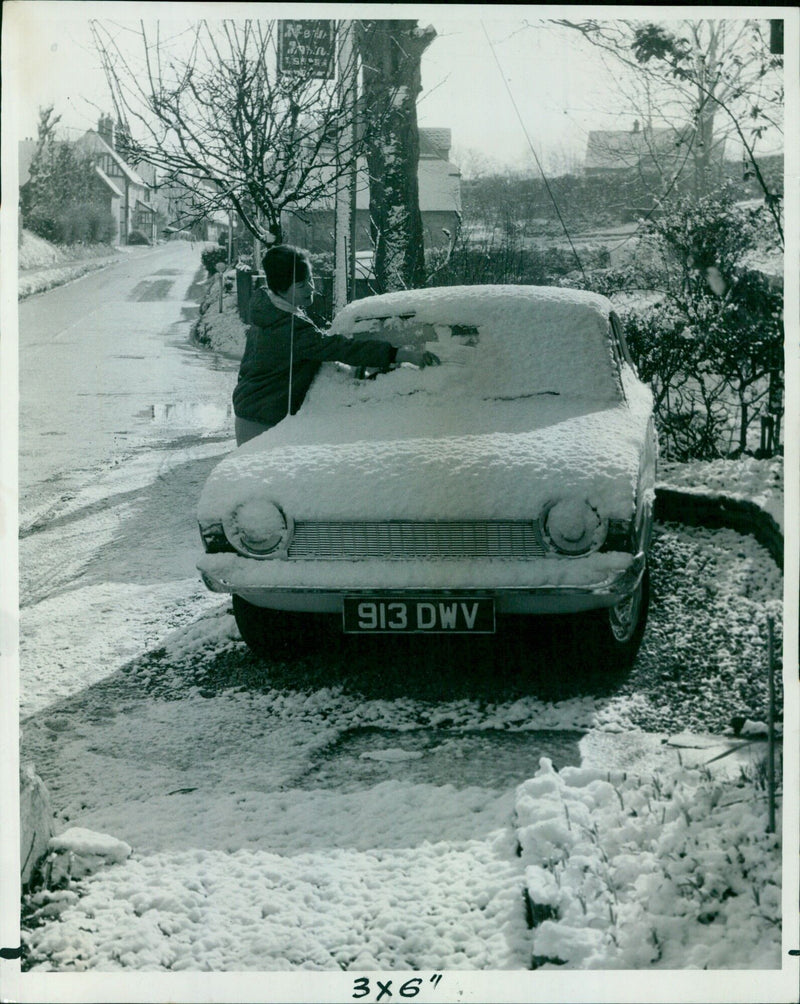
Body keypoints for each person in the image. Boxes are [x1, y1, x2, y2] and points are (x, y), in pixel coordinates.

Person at [232, 245, 440, 446]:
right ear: (281, 288)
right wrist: (399, 354)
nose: (311, 288)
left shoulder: (267, 312)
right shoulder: (290, 327)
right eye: (302, 285)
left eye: (310, 280)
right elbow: (341, 349)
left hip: (249, 411)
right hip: (263, 420)